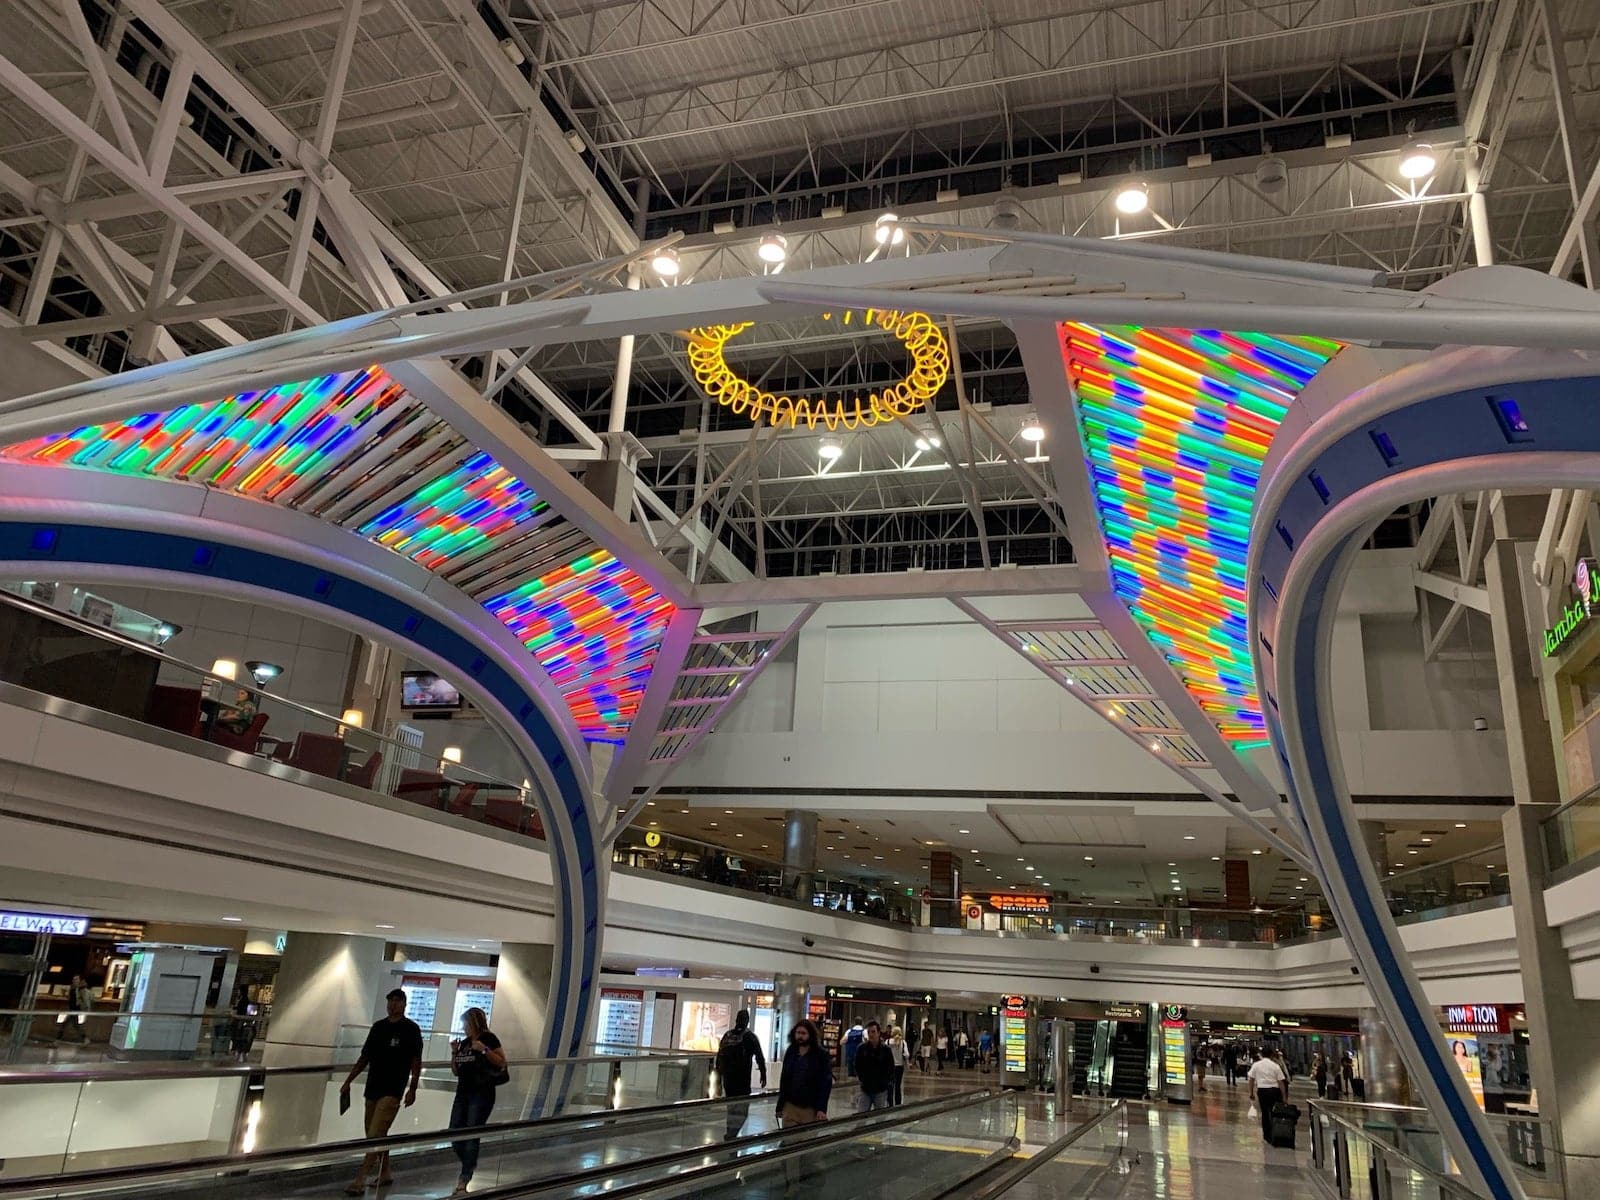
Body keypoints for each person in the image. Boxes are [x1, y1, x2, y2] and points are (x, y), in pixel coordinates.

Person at [340, 988, 424, 1195]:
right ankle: (385, 1171)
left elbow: (416, 1061)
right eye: (390, 1000)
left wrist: (412, 1088)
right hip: (373, 1087)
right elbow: (365, 1057)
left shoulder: (411, 1029)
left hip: (393, 1089)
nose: (392, 1004)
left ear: (404, 1004)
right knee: (375, 1132)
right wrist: (349, 1080)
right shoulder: (378, 1027)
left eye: (397, 1001)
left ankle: (360, 1178)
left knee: (375, 1134)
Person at [447, 1006, 506, 1197]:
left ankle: (464, 1178)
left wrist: (484, 1050)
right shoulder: (465, 1043)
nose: (464, 1028)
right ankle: (469, 1163)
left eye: (466, 1023)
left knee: (472, 1133)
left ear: (473, 1022)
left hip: (481, 1093)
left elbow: (501, 1062)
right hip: (462, 1093)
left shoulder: (488, 1039)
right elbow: (456, 1071)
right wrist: (455, 1053)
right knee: (455, 1132)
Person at [715, 1010, 767, 1140]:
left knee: (731, 1109)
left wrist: (718, 1080)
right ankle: (731, 1135)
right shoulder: (750, 1037)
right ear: (747, 1021)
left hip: (728, 1080)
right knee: (742, 1112)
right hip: (742, 1081)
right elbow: (759, 1056)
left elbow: (719, 1058)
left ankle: (730, 1134)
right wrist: (763, 1073)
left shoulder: (727, 1036)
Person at [775, 1019, 831, 1126]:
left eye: (803, 1033)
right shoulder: (791, 1051)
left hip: (810, 1109)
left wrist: (821, 1108)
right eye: (798, 1033)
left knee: (806, 1140)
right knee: (789, 1140)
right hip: (790, 1106)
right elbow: (785, 1079)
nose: (800, 1036)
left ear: (810, 1035)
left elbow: (825, 1083)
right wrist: (780, 1105)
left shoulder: (820, 1055)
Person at [1247, 1049, 1289, 1144]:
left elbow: (1251, 1080)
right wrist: (1284, 1097)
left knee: (1265, 1113)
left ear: (1261, 1055)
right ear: (1271, 1056)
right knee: (1275, 1113)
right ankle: (1276, 1133)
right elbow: (1281, 1082)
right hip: (1275, 1091)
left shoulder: (1256, 1065)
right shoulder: (1275, 1066)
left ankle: (1267, 1137)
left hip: (1262, 1091)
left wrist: (1251, 1093)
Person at [854, 1021, 895, 1111]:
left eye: (873, 1032)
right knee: (861, 1114)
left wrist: (885, 1082)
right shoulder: (862, 1049)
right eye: (869, 1032)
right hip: (866, 1089)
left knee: (879, 1117)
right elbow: (857, 1066)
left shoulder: (886, 1050)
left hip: (880, 1090)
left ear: (879, 1033)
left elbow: (890, 1068)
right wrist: (862, 1079)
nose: (871, 1034)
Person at [56, 975, 91, 1043]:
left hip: (77, 1010)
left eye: (76, 979)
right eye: (74, 979)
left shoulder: (82, 990)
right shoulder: (72, 989)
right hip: (72, 1009)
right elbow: (71, 999)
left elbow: (85, 1000)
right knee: (74, 1025)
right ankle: (85, 1038)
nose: (74, 981)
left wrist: (85, 1009)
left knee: (66, 1024)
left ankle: (57, 1040)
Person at [887, 1025, 908, 1105]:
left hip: (890, 1066)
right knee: (898, 1086)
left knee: (890, 1085)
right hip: (899, 1066)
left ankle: (890, 1103)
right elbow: (906, 1054)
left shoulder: (888, 1042)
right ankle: (898, 1103)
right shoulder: (903, 1042)